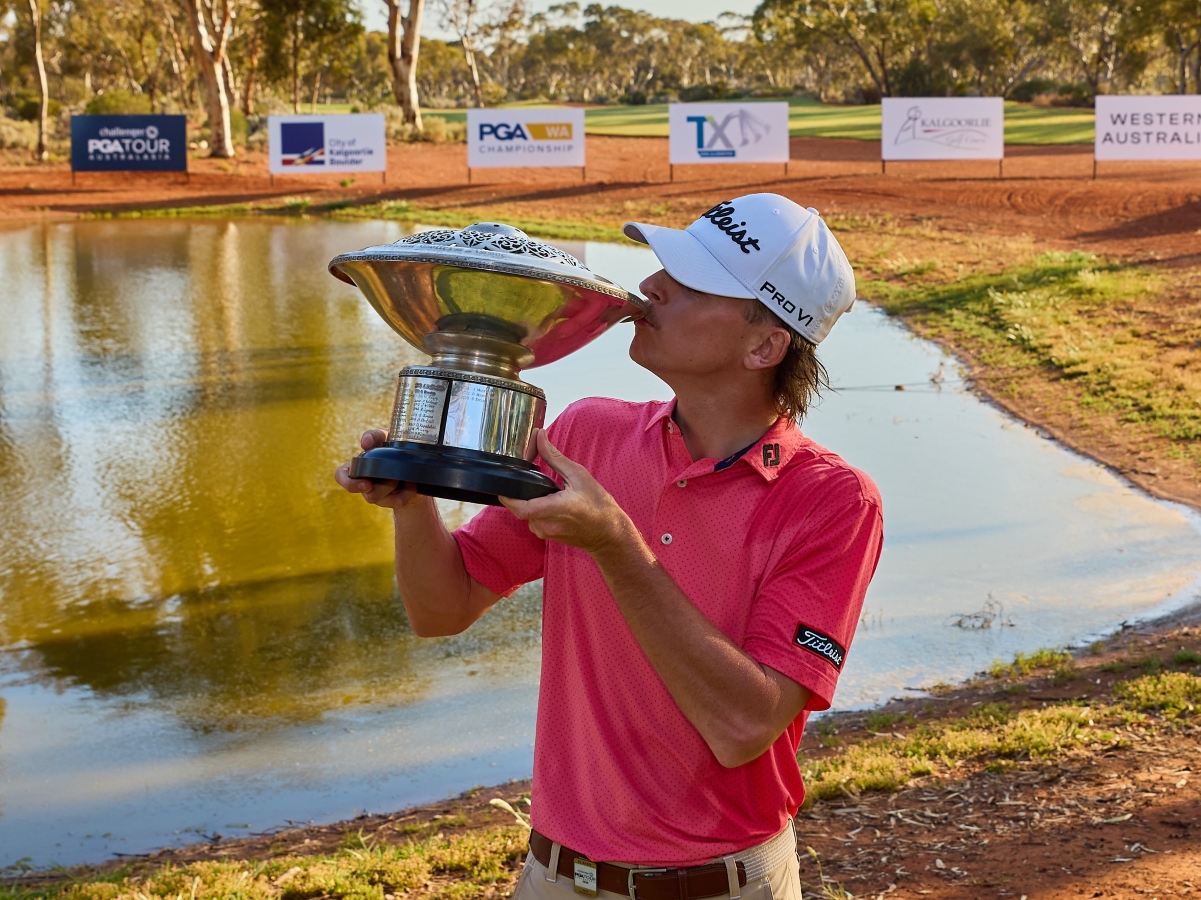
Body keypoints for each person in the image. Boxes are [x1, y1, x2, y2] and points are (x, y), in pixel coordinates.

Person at [334, 192, 884, 900]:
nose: (650, 287)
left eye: (691, 283)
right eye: (663, 267)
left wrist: (616, 544)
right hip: (554, 876)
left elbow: (744, 726)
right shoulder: (591, 433)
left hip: (719, 886)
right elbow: (442, 607)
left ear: (765, 345)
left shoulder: (833, 501)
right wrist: (412, 504)